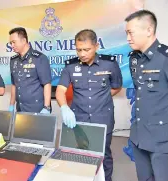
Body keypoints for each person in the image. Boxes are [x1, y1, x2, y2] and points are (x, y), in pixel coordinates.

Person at [56, 29, 122, 181]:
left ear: (96, 46)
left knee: (104, 154)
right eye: (79, 50)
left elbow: (116, 87)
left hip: (103, 117)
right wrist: (65, 107)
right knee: (80, 153)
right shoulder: (70, 67)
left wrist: (101, 98)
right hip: (79, 117)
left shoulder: (109, 64)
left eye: (86, 49)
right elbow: (60, 90)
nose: (82, 54)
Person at [125, 10, 168, 181]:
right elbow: (139, 94)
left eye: (131, 32)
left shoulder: (164, 58)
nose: (128, 38)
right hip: (139, 136)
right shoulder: (134, 59)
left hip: (161, 140)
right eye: (126, 33)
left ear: (149, 30)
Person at [8, 27, 52, 114]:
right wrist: (11, 105)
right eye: (10, 43)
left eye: (14, 42)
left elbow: (47, 84)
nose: (12, 45)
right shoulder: (13, 60)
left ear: (24, 41)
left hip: (37, 109)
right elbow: (14, 85)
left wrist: (46, 107)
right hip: (20, 108)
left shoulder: (39, 58)